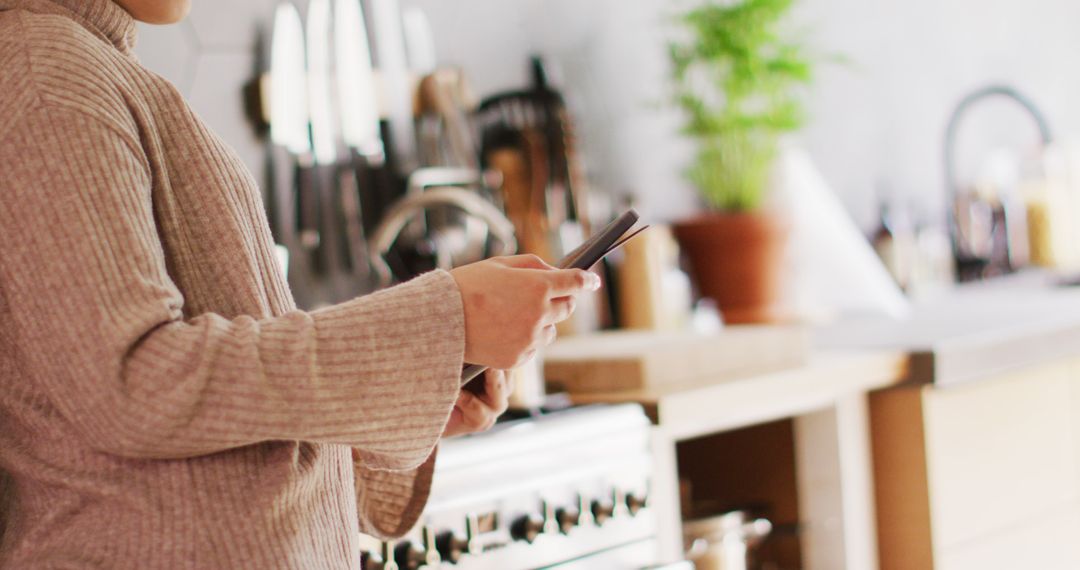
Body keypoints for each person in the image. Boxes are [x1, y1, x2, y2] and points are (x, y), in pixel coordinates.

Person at [0, 0, 600, 567]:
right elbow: (132, 385)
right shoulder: (50, 78)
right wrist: (438, 325)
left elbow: (188, 449)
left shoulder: (85, 68)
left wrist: (400, 389)